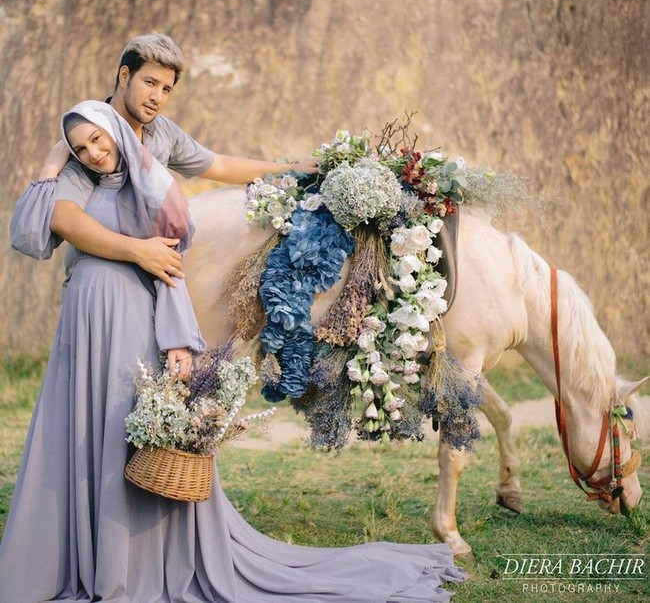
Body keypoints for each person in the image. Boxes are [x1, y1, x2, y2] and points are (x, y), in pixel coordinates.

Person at [0, 100, 466, 602]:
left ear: (116, 131)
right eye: (79, 147)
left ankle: (127, 565)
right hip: (81, 324)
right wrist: (51, 164)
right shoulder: (77, 183)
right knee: (78, 433)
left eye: (97, 139)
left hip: (131, 319)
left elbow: (174, 263)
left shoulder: (154, 187)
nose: (91, 152)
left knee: (122, 432)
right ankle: (72, 557)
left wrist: (178, 339)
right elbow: (29, 235)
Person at [32, 32, 319, 287]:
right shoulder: (90, 134)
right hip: (100, 281)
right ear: (124, 76)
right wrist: (138, 251)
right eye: (150, 82)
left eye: (166, 89)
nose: (157, 97)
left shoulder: (162, 132)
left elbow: (217, 164)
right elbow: (64, 218)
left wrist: (291, 171)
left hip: (151, 278)